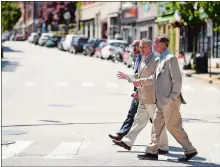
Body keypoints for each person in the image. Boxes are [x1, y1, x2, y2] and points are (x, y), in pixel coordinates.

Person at [137, 34, 197, 162]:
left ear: (162, 45)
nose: (153, 45)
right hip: (159, 100)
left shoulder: (171, 59)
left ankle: (190, 149)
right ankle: (152, 151)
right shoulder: (160, 59)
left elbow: (177, 80)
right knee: (156, 126)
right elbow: (154, 78)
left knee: (173, 126)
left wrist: (171, 98)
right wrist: (141, 82)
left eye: (155, 43)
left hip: (169, 101)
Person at [112, 38, 168, 154]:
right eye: (140, 47)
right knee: (138, 120)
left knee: (157, 123)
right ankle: (127, 142)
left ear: (150, 47)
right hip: (143, 95)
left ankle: (163, 147)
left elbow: (156, 78)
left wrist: (141, 82)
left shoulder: (156, 59)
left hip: (153, 97)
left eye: (143, 47)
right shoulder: (143, 58)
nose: (140, 49)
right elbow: (139, 74)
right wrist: (128, 77)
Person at [108, 40, 142, 141]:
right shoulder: (137, 59)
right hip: (138, 92)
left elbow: (142, 77)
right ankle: (120, 135)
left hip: (144, 92)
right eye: (133, 47)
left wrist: (128, 78)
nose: (133, 49)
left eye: (135, 46)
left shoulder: (143, 59)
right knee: (131, 114)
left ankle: (160, 141)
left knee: (153, 119)